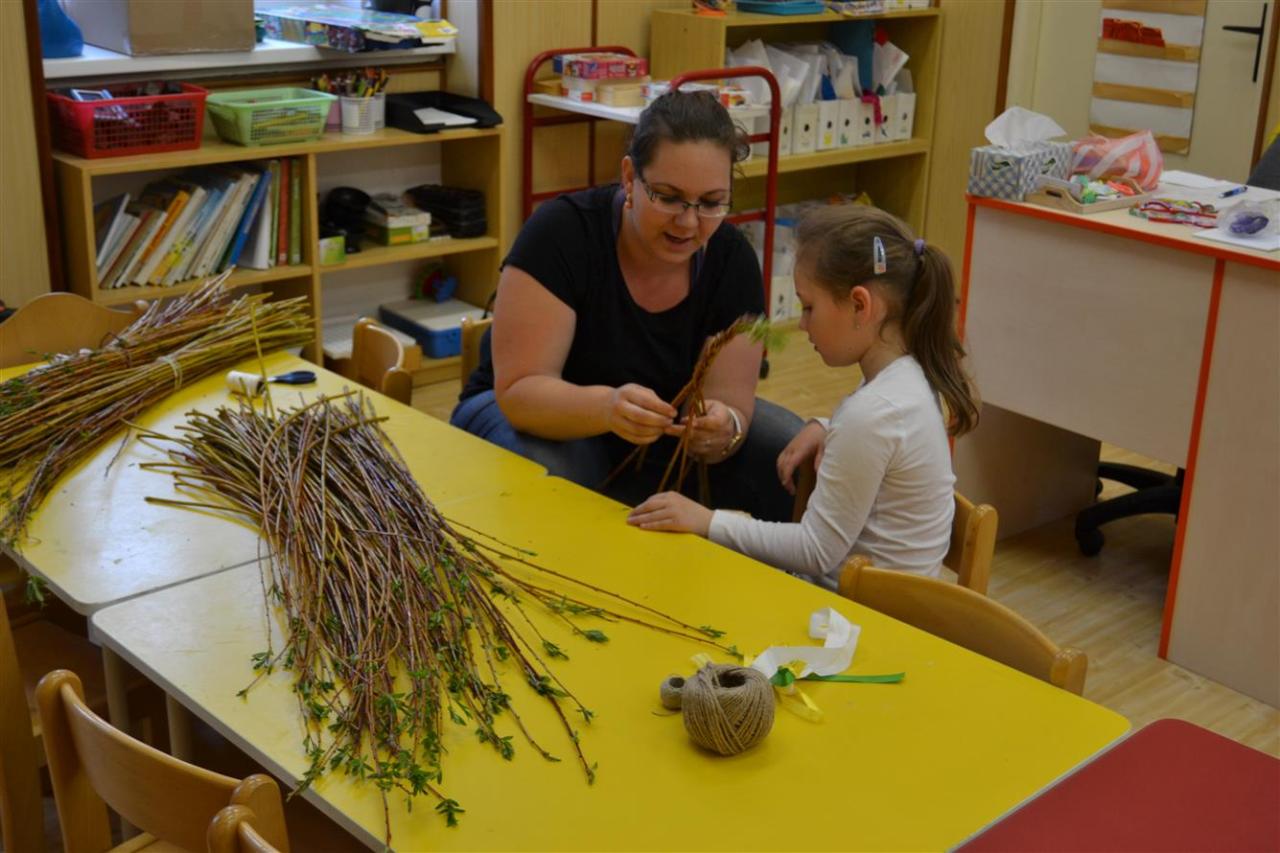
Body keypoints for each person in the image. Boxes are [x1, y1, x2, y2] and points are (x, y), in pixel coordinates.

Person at [451, 91, 802, 521]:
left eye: (711, 203)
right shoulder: (562, 233)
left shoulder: (731, 259)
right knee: (557, 472)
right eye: (668, 197)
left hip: (654, 439)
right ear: (629, 177)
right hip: (527, 417)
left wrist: (724, 427)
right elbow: (520, 392)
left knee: (792, 452)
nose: (688, 222)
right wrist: (607, 407)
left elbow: (731, 401)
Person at [627, 205, 980, 588]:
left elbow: (815, 551)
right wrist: (827, 427)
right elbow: (886, 442)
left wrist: (707, 521)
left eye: (809, 307)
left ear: (860, 305)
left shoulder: (872, 413)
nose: (802, 324)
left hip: (854, 613)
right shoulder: (908, 378)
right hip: (873, 601)